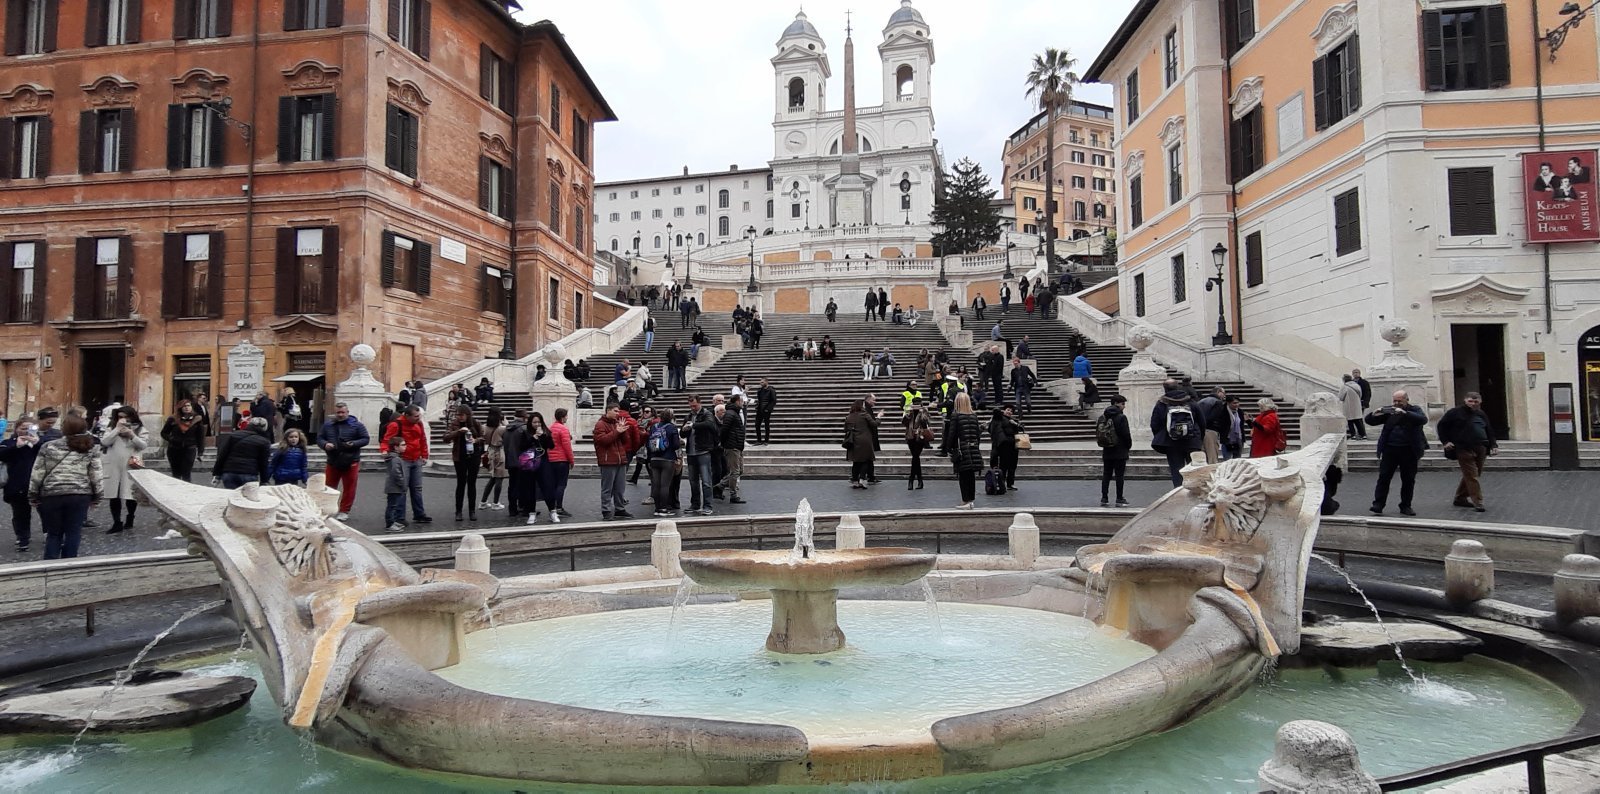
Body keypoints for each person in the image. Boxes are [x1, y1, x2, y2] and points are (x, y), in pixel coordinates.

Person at [28, 414, 103, 560]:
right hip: (80, 494)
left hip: (52, 493)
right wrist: (98, 496)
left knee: (54, 532)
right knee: (73, 531)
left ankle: (49, 564)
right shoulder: (90, 448)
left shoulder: (48, 446)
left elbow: (37, 472)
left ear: (64, 429)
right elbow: (96, 475)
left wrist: (32, 494)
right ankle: (69, 564)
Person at [1366, 390, 1429, 516]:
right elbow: (1370, 421)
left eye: (1399, 401)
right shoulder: (1390, 411)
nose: (1396, 403)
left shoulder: (1415, 410)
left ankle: (1406, 505)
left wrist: (1405, 413)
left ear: (1406, 399)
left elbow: (1423, 420)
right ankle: (1378, 504)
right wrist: (1374, 413)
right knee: (1384, 477)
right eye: (1395, 401)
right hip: (1390, 449)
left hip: (1409, 450)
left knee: (1408, 480)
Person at [1437, 392, 1498, 512]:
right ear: (1465, 400)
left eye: (1476, 402)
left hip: (1481, 447)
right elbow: (1441, 426)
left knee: (1473, 474)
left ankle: (1460, 498)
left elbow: (1489, 430)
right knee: (1472, 475)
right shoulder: (1454, 412)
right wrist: (1446, 441)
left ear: (1480, 402)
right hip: (1463, 447)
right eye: (1471, 401)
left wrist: (1493, 445)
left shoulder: (1481, 414)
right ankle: (1478, 502)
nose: (1473, 404)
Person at [380, 404, 432, 532]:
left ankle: (419, 514)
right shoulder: (396, 425)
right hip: (403, 460)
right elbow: (387, 440)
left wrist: (424, 454)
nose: (418, 418)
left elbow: (422, 439)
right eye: (415, 416)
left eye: (419, 416)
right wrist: (385, 451)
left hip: (416, 458)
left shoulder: (418, 424)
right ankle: (399, 517)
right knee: (401, 489)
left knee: (417, 488)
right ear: (407, 415)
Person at [98, 405, 148, 534]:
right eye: (120, 417)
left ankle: (130, 517)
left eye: (126, 417)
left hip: (131, 465)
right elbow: (105, 441)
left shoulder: (140, 428)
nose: (123, 420)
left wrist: (132, 435)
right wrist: (117, 429)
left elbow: (143, 445)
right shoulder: (111, 428)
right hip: (114, 465)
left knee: (130, 494)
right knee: (114, 495)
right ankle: (116, 522)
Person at [317, 402, 369, 521]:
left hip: (351, 460)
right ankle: (327, 509)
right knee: (329, 487)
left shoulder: (357, 425)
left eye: (342, 412)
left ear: (347, 412)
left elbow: (365, 439)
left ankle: (344, 510)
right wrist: (325, 444)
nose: (340, 415)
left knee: (349, 488)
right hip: (333, 460)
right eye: (338, 412)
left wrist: (353, 444)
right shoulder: (327, 425)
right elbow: (320, 438)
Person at [593, 401, 641, 521]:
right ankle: (606, 510)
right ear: (608, 410)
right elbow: (602, 441)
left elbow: (625, 441)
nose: (617, 413)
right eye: (615, 411)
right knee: (607, 488)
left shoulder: (616, 423)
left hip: (620, 459)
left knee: (620, 487)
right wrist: (617, 432)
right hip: (608, 460)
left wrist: (623, 431)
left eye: (618, 411)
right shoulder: (600, 424)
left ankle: (620, 509)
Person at [1, 420, 42, 552]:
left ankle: (50, 533)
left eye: (29, 428)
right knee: (20, 514)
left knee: (45, 510)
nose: (26, 431)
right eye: (23, 428)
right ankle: (23, 538)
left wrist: (37, 443)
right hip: (17, 483)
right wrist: (16, 447)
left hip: (39, 482)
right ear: (16, 429)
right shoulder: (8, 443)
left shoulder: (40, 443)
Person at [1151, 384, 1203, 486]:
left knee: (1176, 470)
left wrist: (1162, 436)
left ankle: (1178, 491)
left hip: (1171, 442)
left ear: (1165, 389)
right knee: (1193, 468)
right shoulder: (1191, 402)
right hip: (1192, 441)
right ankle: (1194, 491)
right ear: (1178, 387)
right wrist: (1199, 437)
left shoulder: (1161, 404)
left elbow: (1155, 424)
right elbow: (1202, 421)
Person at [440, 404, 484, 522]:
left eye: (461, 415)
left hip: (474, 456)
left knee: (472, 484)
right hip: (460, 456)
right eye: (458, 415)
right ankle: (458, 511)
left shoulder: (475, 423)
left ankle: (472, 511)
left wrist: (475, 440)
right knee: (461, 483)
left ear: (467, 415)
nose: (459, 417)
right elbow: (445, 438)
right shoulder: (454, 424)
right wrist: (458, 432)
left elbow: (483, 437)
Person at [940, 393, 984, 509]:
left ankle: (965, 501)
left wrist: (948, 448)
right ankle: (971, 499)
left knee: (963, 476)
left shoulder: (956, 415)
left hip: (962, 449)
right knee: (971, 476)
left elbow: (952, 434)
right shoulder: (974, 416)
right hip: (973, 448)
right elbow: (977, 434)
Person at [213, 416, 272, 489]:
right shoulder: (264, 442)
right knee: (246, 498)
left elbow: (222, 455)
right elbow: (264, 463)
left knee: (232, 496)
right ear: (264, 427)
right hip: (249, 473)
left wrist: (217, 474)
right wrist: (264, 480)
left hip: (230, 472)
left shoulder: (233, 435)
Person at [683, 395, 719, 515]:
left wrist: (693, 425)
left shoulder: (707, 414)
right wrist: (684, 430)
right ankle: (695, 504)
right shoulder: (688, 416)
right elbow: (683, 435)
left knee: (706, 480)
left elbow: (709, 425)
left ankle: (708, 505)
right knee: (693, 480)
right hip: (691, 452)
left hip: (703, 451)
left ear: (699, 403)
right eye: (690, 406)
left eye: (694, 405)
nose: (692, 408)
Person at [518, 413, 554, 524]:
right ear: (530, 423)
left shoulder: (546, 431)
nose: (537, 424)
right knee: (530, 489)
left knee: (547, 487)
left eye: (538, 422)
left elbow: (551, 445)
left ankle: (552, 511)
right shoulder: (525, 432)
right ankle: (531, 513)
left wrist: (543, 436)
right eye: (534, 422)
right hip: (530, 464)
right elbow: (521, 447)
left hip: (543, 463)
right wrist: (533, 438)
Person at [646, 407, 682, 517]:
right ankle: (664, 508)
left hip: (654, 458)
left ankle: (657, 508)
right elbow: (676, 445)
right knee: (665, 485)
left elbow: (648, 443)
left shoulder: (654, 426)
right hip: (667, 459)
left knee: (656, 485)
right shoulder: (672, 428)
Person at [1098, 395, 1132, 507]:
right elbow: (1126, 434)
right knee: (1119, 475)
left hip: (1107, 449)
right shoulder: (1121, 417)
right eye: (1123, 404)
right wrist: (1128, 446)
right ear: (1117, 403)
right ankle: (1119, 498)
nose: (1124, 406)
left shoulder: (1103, 417)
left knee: (1106, 474)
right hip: (1120, 449)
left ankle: (1104, 498)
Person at [160, 400, 206, 482]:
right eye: (184, 406)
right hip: (174, 449)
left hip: (189, 448)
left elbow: (201, 437)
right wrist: (172, 439)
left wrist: (200, 452)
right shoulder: (173, 419)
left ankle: (186, 493)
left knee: (186, 474)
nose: (187, 408)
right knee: (176, 474)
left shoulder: (197, 419)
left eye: (188, 405)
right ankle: (176, 492)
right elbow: (164, 433)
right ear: (180, 408)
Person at [844, 399, 879, 489]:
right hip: (864, 440)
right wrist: (879, 417)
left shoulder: (849, 416)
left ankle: (855, 481)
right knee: (865, 460)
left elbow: (846, 429)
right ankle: (862, 480)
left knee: (856, 462)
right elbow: (874, 424)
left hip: (853, 441)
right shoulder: (864, 415)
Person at [989, 404, 1024, 492]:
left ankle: (1010, 483)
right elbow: (996, 412)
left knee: (1012, 466)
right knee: (1003, 466)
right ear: (1004, 410)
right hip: (1004, 446)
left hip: (1013, 446)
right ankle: (1002, 483)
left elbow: (1022, 428)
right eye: (1008, 410)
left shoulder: (1013, 421)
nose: (1009, 412)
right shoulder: (999, 418)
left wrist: (1016, 424)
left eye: (1011, 411)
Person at [719, 394, 747, 504]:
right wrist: (725, 443)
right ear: (736, 401)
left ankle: (719, 486)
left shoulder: (734, 413)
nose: (743, 403)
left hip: (737, 445)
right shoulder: (731, 413)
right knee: (735, 471)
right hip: (732, 446)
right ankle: (733, 495)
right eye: (741, 401)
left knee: (739, 471)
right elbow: (724, 430)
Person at [902, 401, 932, 490]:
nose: (915, 407)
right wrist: (908, 414)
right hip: (910, 437)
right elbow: (904, 423)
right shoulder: (909, 412)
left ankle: (911, 480)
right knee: (916, 458)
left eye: (917, 405)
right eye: (913, 405)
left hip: (920, 437)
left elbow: (926, 424)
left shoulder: (924, 412)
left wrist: (922, 412)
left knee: (915, 457)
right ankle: (919, 480)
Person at [1197, 386, 1228, 465]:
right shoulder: (1218, 402)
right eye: (1223, 393)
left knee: (1203, 455)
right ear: (1218, 392)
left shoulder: (1201, 401)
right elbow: (1214, 417)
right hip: (1211, 430)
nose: (1224, 396)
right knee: (1212, 457)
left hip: (1200, 431)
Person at [753, 378, 777, 445]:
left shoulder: (771, 390)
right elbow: (759, 400)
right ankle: (759, 440)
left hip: (766, 410)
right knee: (757, 425)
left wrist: (768, 409)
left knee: (766, 425)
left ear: (766, 382)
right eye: (760, 382)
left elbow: (773, 400)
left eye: (762, 382)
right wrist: (757, 405)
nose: (761, 383)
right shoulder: (760, 390)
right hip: (759, 410)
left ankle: (766, 441)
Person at [1341, 374, 1366, 439]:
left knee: (1350, 421)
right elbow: (1360, 395)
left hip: (1348, 405)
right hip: (1357, 405)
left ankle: (1353, 434)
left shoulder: (1344, 387)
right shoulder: (1357, 385)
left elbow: (1341, 397)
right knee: (1358, 421)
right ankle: (1363, 434)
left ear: (1344, 380)